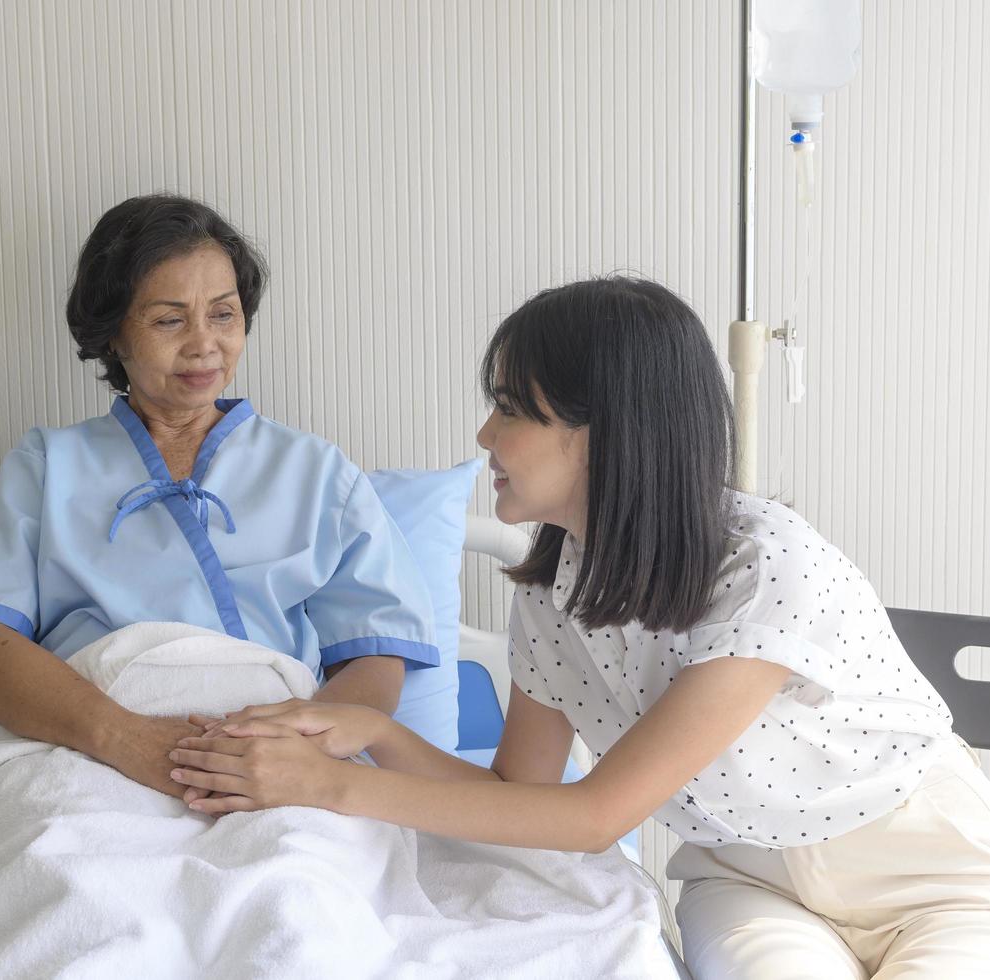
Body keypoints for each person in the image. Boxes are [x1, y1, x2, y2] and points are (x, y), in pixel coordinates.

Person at [168, 276, 990, 978]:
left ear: (608, 431)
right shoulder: (556, 587)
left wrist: (328, 785)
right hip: (747, 881)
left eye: (508, 409)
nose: (484, 436)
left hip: (924, 867)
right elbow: (520, 797)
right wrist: (374, 729)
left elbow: (596, 815)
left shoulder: (766, 570)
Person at [0, 194, 440, 802]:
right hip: (84, 744)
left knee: (296, 882)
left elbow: (375, 655)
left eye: (223, 315)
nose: (204, 344)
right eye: (170, 320)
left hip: (273, 750)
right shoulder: (47, 466)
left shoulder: (317, 471)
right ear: (114, 335)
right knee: (60, 865)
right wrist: (128, 740)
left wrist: (291, 756)